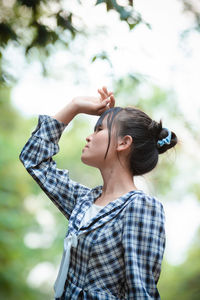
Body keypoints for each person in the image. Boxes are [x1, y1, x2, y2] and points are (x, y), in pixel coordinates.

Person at [19, 86, 178, 299]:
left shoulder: (140, 207)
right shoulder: (84, 202)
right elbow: (34, 159)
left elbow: (140, 292)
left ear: (124, 142)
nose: (89, 137)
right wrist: (75, 106)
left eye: (99, 129)